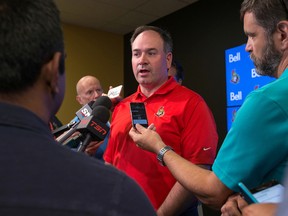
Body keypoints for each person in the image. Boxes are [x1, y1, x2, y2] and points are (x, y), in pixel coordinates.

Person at [128, 0, 288, 212]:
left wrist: (159, 147)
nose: (247, 46)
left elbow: (212, 191)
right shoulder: (123, 104)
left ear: (283, 35)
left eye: (252, 35)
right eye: (136, 53)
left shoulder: (266, 101)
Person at [0, 0, 156, 215]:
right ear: (54, 70)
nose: (95, 95)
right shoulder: (118, 196)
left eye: (98, 90)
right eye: (136, 53)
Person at [104, 25, 218, 215]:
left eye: (151, 53)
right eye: (136, 54)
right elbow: (110, 163)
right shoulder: (122, 107)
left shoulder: (192, 104)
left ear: (167, 59)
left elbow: (197, 170)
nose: (142, 60)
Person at [75, 75, 109, 160]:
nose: (97, 95)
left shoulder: (108, 119)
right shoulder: (75, 127)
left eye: (99, 90)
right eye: (90, 92)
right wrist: (86, 153)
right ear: (79, 100)